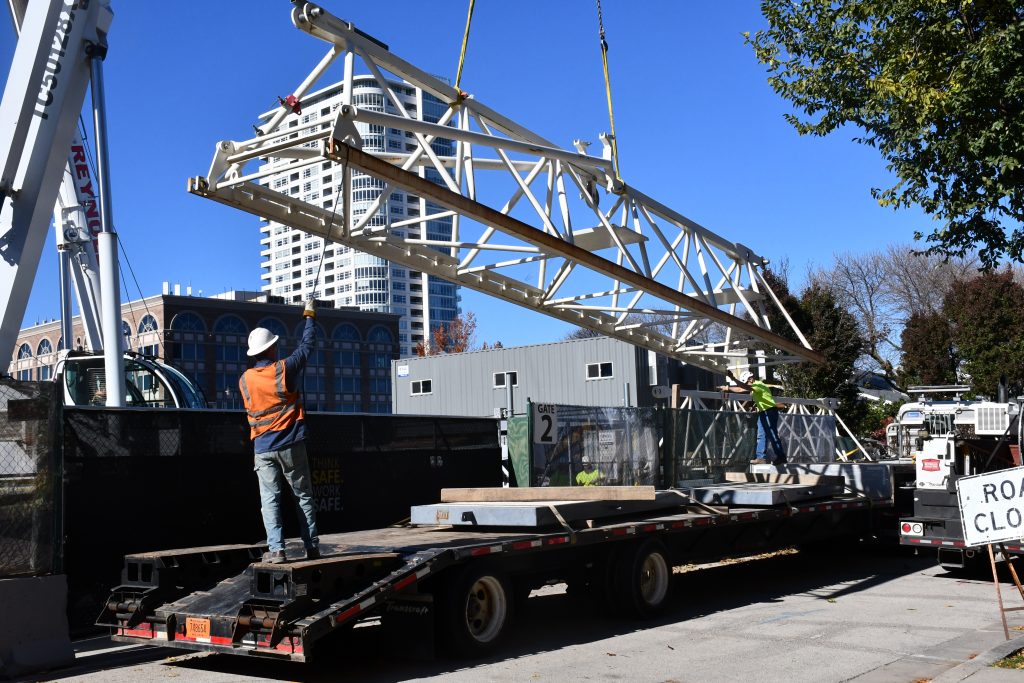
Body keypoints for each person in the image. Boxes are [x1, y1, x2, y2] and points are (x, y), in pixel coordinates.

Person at [239, 298, 320, 564]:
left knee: (269, 501)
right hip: (290, 444)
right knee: (303, 496)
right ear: (272, 348)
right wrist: (309, 316)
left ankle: (277, 550)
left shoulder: (244, 381)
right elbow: (307, 346)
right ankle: (311, 547)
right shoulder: (284, 369)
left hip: (262, 449)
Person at [723, 369, 787, 466]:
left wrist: (733, 379)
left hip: (769, 411)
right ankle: (761, 457)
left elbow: (743, 387)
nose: (747, 384)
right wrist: (728, 387)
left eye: (747, 382)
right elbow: (740, 389)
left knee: (772, 434)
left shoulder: (758, 385)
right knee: (761, 435)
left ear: (750, 379)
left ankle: (781, 457)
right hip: (763, 412)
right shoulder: (755, 386)